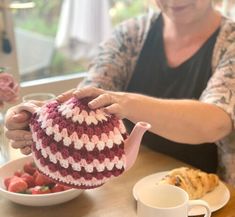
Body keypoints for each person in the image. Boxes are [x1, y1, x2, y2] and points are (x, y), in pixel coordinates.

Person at [5, 0, 235, 185]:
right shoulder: (129, 34)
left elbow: (216, 122)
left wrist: (125, 103)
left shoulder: (231, 42)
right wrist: (36, 118)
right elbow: (87, 98)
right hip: (129, 184)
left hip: (212, 193)